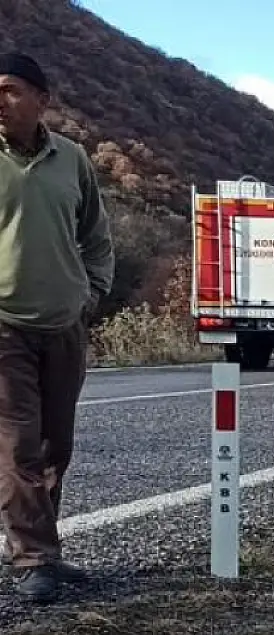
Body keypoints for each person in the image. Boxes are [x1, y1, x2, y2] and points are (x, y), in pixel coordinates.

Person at [0, 52, 114, 604]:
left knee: (54, 445)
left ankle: (40, 550)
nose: (1, 99)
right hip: (4, 327)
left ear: (42, 99)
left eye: (11, 88)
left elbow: (95, 233)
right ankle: (34, 557)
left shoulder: (72, 159)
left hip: (65, 323)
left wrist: (91, 293)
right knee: (17, 444)